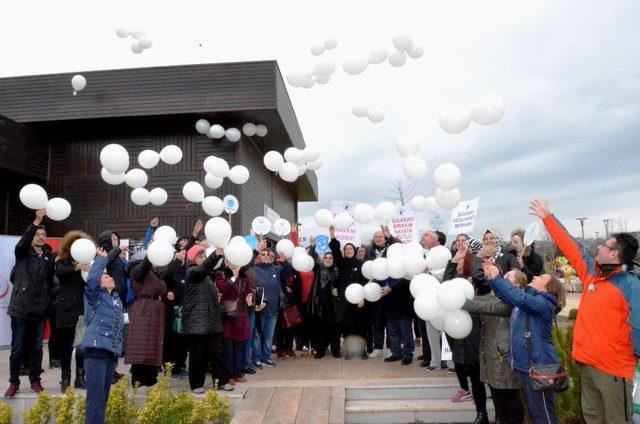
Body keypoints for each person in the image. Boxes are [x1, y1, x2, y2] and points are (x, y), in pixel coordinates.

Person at [530, 199, 640, 423]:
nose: (599, 246)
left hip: (616, 372)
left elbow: (638, 328)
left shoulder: (631, 286)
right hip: (589, 366)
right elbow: (570, 245)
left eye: (605, 245)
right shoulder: (591, 271)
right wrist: (547, 218)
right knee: (592, 418)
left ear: (615, 255)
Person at [484, 259, 565, 424]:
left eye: (541, 278)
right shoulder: (529, 300)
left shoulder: (543, 304)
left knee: (544, 415)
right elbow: (506, 295)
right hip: (528, 366)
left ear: (548, 288)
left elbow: (518, 298)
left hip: (540, 366)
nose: (534, 277)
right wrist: (492, 279)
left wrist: (498, 278)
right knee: (536, 412)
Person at [463, 269, 527, 424]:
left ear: (517, 285)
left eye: (507, 277)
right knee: (497, 395)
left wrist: (458, 302)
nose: (502, 279)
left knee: (509, 396)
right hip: (491, 354)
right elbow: (480, 301)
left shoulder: (514, 300)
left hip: (503, 355)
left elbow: (486, 308)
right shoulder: (495, 297)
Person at [5, 209, 54, 398]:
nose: (41, 237)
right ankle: (14, 382)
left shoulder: (49, 257)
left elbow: (50, 283)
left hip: (40, 310)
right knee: (17, 348)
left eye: (43, 234)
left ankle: (35, 380)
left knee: (37, 348)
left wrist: (48, 301)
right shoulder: (23, 253)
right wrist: (37, 221)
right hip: (20, 308)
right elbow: (23, 242)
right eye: (37, 234)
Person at [443, 239, 490, 424]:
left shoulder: (479, 283)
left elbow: (481, 279)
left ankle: (482, 413)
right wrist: (454, 259)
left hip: (476, 331)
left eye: (462, 262)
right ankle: (480, 412)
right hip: (458, 331)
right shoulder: (455, 281)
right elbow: (445, 283)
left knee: (477, 374)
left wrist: (477, 259)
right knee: (463, 366)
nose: (459, 266)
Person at [82, 246, 124, 424]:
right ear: (100, 283)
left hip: (109, 354)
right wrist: (101, 260)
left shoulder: (116, 300)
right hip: (96, 353)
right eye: (106, 277)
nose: (111, 278)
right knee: (95, 400)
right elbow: (92, 279)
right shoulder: (95, 296)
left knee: (103, 400)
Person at [183, 245, 233, 392]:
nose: (204, 258)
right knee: (198, 355)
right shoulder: (192, 272)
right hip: (197, 322)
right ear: (193, 258)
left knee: (217, 353)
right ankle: (197, 384)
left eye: (205, 256)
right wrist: (215, 255)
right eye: (201, 256)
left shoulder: (207, 276)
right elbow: (202, 269)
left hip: (211, 321)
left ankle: (221, 382)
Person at [53, 230, 94, 392]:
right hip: (66, 310)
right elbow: (60, 273)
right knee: (66, 346)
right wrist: (76, 267)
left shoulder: (88, 261)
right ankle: (65, 378)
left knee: (82, 345)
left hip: (82, 310)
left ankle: (80, 377)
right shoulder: (62, 261)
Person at [125, 251, 168, 387]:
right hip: (144, 310)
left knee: (152, 345)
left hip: (154, 311)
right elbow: (144, 266)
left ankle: (150, 378)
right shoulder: (137, 270)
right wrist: (152, 252)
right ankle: (139, 379)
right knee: (141, 345)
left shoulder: (154, 274)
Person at [249, 241, 293, 369]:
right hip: (259, 309)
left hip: (273, 310)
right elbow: (246, 265)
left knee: (268, 336)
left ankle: (265, 357)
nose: (266, 255)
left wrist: (284, 262)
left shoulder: (276, 268)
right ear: (258, 257)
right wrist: (256, 250)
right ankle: (256, 359)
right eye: (263, 254)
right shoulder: (253, 269)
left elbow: (289, 273)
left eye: (268, 254)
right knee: (257, 336)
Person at [328, 226, 369, 360]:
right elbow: (335, 250)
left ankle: (362, 351)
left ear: (355, 251)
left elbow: (364, 282)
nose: (349, 250)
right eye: (346, 249)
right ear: (344, 252)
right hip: (345, 303)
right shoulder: (341, 263)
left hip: (358, 301)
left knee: (360, 327)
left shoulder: (360, 264)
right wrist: (333, 236)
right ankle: (350, 352)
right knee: (348, 327)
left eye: (351, 248)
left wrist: (362, 297)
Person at [215, 260, 254, 385]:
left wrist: (250, 295)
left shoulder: (244, 276)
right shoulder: (221, 274)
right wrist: (234, 276)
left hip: (241, 316)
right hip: (228, 317)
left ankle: (238, 373)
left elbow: (249, 291)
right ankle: (228, 375)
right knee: (228, 349)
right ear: (227, 262)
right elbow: (222, 288)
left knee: (239, 347)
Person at [365, 225, 400, 358]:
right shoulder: (370, 251)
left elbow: (399, 245)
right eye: (376, 237)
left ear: (385, 238)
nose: (378, 239)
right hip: (375, 291)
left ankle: (391, 347)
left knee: (390, 321)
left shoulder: (392, 248)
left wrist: (390, 236)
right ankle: (378, 347)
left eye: (381, 236)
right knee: (377, 321)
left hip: (390, 289)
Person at [308, 240, 342, 359]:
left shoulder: (338, 271)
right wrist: (313, 247)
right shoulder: (319, 268)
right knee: (321, 330)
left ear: (333, 260)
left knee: (335, 330)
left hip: (335, 305)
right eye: (326, 257)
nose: (328, 259)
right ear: (323, 259)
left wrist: (337, 290)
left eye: (330, 258)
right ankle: (320, 351)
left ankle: (336, 351)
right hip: (321, 305)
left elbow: (342, 285)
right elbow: (311, 261)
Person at [419, 230, 446, 371]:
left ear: (434, 239)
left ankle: (450, 362)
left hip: (443, 297)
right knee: (431, 331)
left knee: (446, 330)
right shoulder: (424, 253)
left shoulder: (442, 252)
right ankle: (435, 361)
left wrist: (430, 274)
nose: (423, 236)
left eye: (426, 235)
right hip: (427, 298)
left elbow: (446, 272)